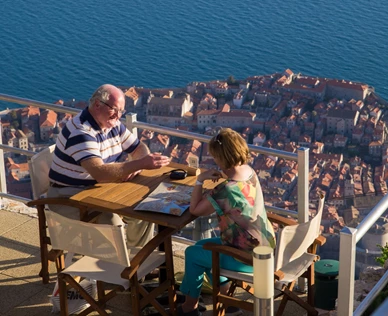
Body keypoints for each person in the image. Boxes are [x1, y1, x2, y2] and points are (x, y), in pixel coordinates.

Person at [47, 83, 170, 247]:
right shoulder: (81, 132)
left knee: (143, 213)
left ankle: (136, 260)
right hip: (68, 197)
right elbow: (100, 172)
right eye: (115, 110)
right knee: (112, 224)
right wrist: (140, 163)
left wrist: (138, 165)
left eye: (121, 111)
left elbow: (139, 148)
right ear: (97, 104)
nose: (118, 116)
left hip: (99, 191)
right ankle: (112, 266)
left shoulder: (112, 124)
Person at [178, 128, 276, 316]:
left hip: (247, 257)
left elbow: (195, 210)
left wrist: (199, 181)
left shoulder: (224, 190)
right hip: (264, 244)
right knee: (201, 245)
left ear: (221, 159)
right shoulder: (249, 171)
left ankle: (188, 308)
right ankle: (228, 302)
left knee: (192, 253)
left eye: (215, 157)